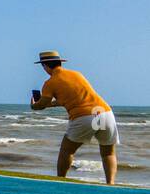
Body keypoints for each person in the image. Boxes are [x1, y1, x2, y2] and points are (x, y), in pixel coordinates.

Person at [29, 50, 118, 184]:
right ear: (60, 63)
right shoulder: (77, 74)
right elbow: (67, 99)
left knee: (67, 150)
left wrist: (34, 105)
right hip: (104, 112)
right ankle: (110, 184)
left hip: (84, 116)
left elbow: (42, 105)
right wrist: (48, 105)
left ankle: (61, 181)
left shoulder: (50, 83)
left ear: (45, 66)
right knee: (108, 152)